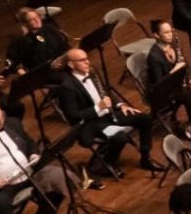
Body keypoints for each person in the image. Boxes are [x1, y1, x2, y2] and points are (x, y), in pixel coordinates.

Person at [57, 49, 162, 177]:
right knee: (120, 136)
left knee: (144, 118)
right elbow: (73, 116)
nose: (87, 62)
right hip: (91, 124)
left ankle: (146, 158)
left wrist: (120, 105)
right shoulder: (66, 87)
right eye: (82, 60)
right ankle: (107, 164)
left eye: (87, 58)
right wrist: (98, 107)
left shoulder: (93, 72)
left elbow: (107, 92)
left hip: (109, 115)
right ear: (71, 65)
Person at [6, 7, 69, 73]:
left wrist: (64, 58)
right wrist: (19, 70)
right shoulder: (21, 41)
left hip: (62, 64)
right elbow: (10, 62)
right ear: (25, 23)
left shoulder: (49, 29)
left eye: (37, 17)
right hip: (44, 72)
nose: (37, 20)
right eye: (32, 20)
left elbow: (64, 47)